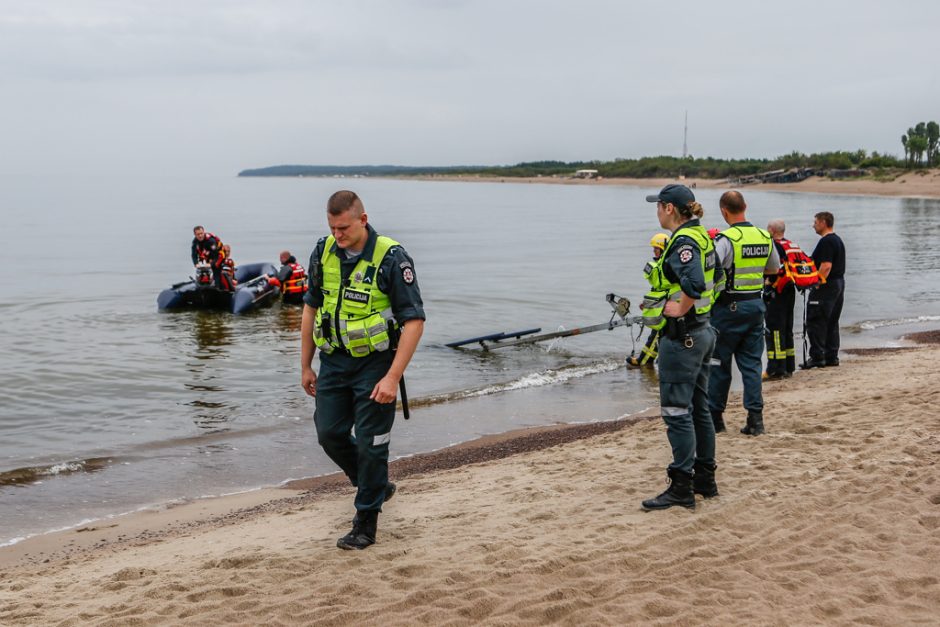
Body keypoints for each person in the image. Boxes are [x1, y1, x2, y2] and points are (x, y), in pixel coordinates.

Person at [300, 190, 425, 550]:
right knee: (329, 433)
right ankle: (377, 485)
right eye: (332, 228)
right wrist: (306, 364)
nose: (338, 236)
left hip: (377, 364)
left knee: (372, 445)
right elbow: (311, 308)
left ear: (363, 220)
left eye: (344, 228)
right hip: (334, 362)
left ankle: (365, 522)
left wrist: (393, 377)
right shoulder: (323, 251)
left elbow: (414, 321)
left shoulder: (391, 257)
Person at [639, 184, 719, 511]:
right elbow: (719, 279)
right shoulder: (702, 236)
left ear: (669, 208)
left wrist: (682, 307)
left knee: (676, 411)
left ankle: (682, 486)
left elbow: (696, 284)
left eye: (657, 206)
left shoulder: (683, 241)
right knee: (700, 409)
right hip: (703, 332)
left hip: (683, 337)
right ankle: (705, 479)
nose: (656, 211)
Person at [707, 191, 780, 436]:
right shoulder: (763, 235)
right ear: (745, 206)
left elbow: (710, 270)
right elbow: (773, 269)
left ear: (723, 211)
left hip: (728, 308)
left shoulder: (726, 238)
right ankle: (755, 419)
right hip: (755, 307)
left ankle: (716, 418)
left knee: (718, 363)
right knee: (751, 364)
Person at [802, 211, 846, 369]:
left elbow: (826, 265)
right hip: (838, 284)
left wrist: (816, 282)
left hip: (827, 285)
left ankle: (817, 356)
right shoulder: (837, 240)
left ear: (823, 222)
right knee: (832, 321)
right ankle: (831, 356)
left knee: (816, 320)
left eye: (815, 222)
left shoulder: (827, 242)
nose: (813, 225)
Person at [763, 220, 800, 379]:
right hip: (790, 290)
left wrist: (767, 281)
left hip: (776, 291)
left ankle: (776, 368)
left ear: (771, 230)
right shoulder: (792, 245)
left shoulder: (773, 245)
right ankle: (789, 365)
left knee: (774, 330)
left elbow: (774, 268)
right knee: (787, 327)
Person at [627, 233, 669, 369]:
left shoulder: (665, 266)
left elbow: (665, 288)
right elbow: (656, 288)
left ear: (663, 249)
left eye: (656, 249)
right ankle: (656, 360)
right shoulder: (665, 265)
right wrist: (646, 304)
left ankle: (643, 361)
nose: (654, 252)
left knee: (655, 336)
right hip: (661, 306)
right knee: (658, 335)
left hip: (665, 308)